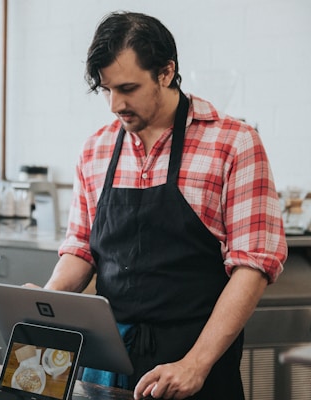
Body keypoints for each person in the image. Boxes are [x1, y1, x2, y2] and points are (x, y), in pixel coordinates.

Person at [35, 12, 287, 400]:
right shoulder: (96, 148)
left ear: (167, 72)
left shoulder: (234, 144)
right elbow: (82, 248)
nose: (115, 104)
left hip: (192, 365)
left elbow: (253, 267)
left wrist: (195, 364)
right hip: (106, 366)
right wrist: (45, 303)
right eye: (105, 90)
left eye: (128, 88)